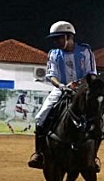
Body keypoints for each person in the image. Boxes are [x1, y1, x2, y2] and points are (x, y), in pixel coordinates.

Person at [28, 20, 99, 169]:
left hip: (83, 90)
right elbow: (51, 75)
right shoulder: (54, 54)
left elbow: (92, 73)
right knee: (40, 117)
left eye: (59, 38)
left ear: (68, 36)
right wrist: (61, 86)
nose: (56, 41)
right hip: (60, 89)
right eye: (55, 39)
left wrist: (80, 86)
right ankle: (39, 154)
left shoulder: (85, 51)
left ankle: (93, 157)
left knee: (102, 121)